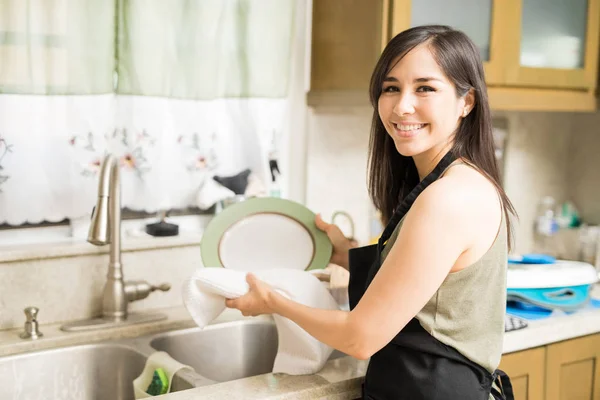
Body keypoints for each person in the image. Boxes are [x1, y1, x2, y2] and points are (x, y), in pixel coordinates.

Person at [226, 25, 516, 400]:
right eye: (391, 87)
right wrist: (344, 252)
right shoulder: (453, 181)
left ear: (467, 102)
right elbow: (424, 288)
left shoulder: (449, 197)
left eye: (425, 88)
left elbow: (360, 337)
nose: (401, 106)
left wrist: (274, 302)